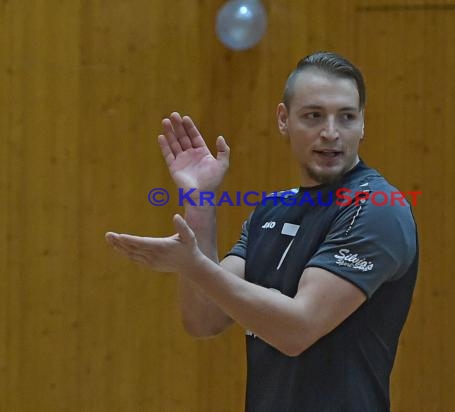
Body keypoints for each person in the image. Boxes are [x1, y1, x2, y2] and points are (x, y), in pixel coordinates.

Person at [106, 51, 419, 412]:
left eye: (346, 117)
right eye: (313, 116)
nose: (331, 132)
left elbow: (297, 330)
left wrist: (192, 265)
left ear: (363, 124)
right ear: (284, 120)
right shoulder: (271, 209)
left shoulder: (375, 208)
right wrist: (200, 201)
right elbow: (204, 318)